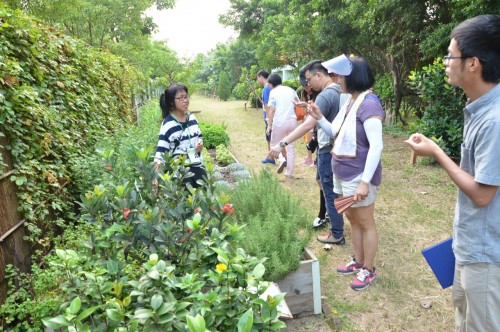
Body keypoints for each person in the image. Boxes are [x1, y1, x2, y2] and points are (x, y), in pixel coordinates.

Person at [406, 15, 500, 330]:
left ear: (473, 63)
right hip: (469, 243)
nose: (446, 61)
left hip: (486, 254)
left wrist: (436, 153)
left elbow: (483, 194)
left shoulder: (494, 119)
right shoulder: (479, 107)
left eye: (450, 55)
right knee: (463, 320)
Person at [308, 54, 384, 291]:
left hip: (357, 175)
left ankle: (368, 269)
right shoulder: (350, 101)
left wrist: (364, 182)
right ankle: (358, 261)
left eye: (341, 76)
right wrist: (319, 117)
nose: (337, 79)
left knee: (365, 221)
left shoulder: (369, 103)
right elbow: (335, 131)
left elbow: (377, 146)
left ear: (354, 77)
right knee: (352, 219)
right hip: (342, 172)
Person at [268, 60, 345, 243]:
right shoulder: (339, 90)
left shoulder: (325, 95)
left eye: (309, 79)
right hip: (335, 147)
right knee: (327, 185)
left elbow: (309, 124)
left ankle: (337, 233)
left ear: (319, 75)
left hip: (327, 148)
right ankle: (334, 222)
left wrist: (282, 143)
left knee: (330, 190)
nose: (308, 83)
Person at [154, 84, 206, 188]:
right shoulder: (168, 125)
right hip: (180, 172)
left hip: (197, 166)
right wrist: (155, 177)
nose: (185, 100)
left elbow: (199, 136)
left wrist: (199, 144)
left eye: (186, 97)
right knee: (188, 202)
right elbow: (160, 152)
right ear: (171, 102)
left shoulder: (192, 118)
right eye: (181, 98)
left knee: (205, 199)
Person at [266, 73, 299, 177]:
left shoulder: (273, 92)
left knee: (274, 145)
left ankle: (282, 159)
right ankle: (289, 173)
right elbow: (297, 103)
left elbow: (271, 109)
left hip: (279, 121)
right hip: (292, 121)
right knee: (290, 147)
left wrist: (269, 125)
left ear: (271, 83)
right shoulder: (291, 90)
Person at [257, 70, 274, 164]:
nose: (258, 80)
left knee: (270, 136)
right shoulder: (268, 87)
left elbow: (267, 105)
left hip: (269, 118)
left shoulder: (267, 88)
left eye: (258, 78)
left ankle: (271, 157)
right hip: (269, 117)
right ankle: (271, 156)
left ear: (261, 77)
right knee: (270, 136)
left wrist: (268, 120)